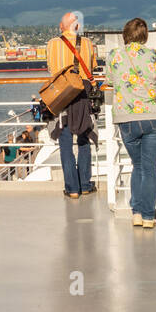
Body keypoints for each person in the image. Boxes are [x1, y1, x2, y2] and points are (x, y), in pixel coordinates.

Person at [106, 17, 156, 227]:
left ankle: (137, 213)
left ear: (125, 34)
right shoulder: (154, 55)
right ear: (145, 35)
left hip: (127, 118)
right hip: (153, 116)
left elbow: (110, 81)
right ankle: (149, 216)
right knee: (149, 168)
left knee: (137, 165)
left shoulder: (114, 55)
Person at [45, 11, 99, 198]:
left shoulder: (52, 44)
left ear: (62, 27)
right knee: (84, 138)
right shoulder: (88, 44)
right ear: (77, 27)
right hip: (82, 94)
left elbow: (51, 69)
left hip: (63, 94)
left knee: (65, 141)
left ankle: (72, 188)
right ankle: (85, 184)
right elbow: (92, 67)